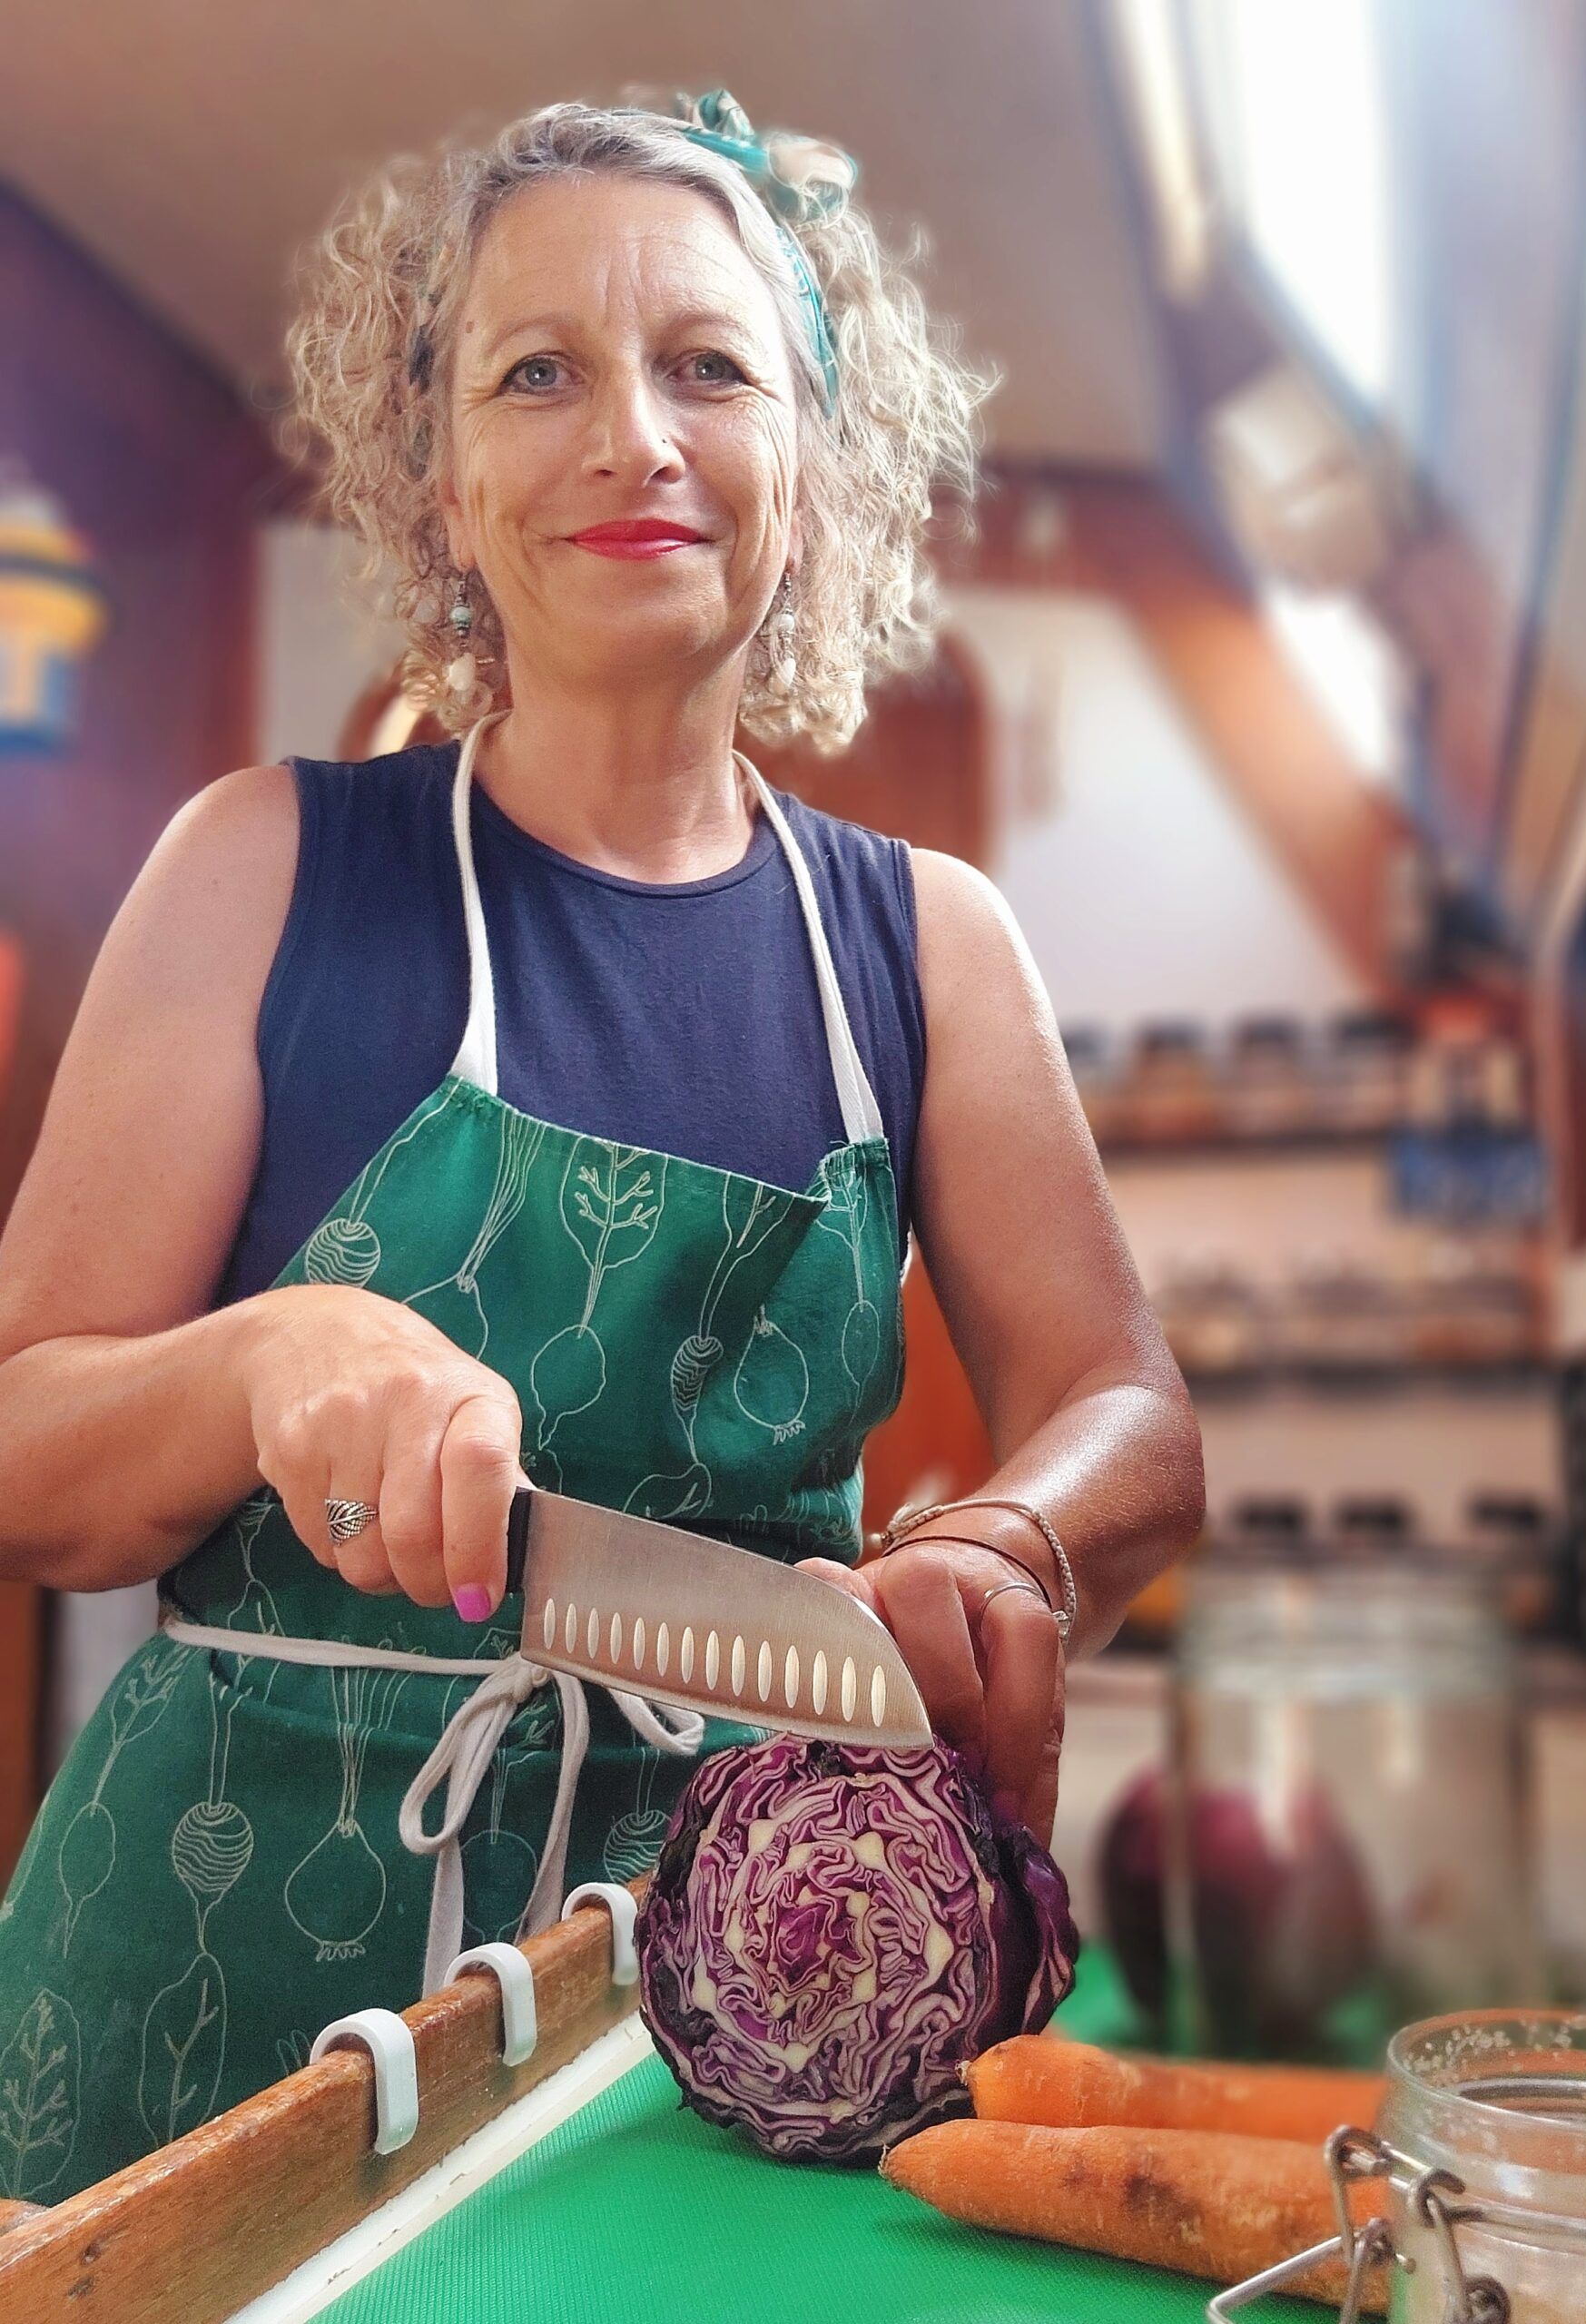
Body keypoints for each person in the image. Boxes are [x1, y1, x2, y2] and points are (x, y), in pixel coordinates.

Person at [0, 88, 1203, 2194]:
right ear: (445, 482)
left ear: (814, 472)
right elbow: (26, 1458)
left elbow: (1129, 1406)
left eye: (710, 367)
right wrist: (267, 1358)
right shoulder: (262, 869)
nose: (631, 436)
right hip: (190, 2008)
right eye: (535, 370)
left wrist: (1008, 1543)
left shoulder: (927, 945)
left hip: (720, 1994)